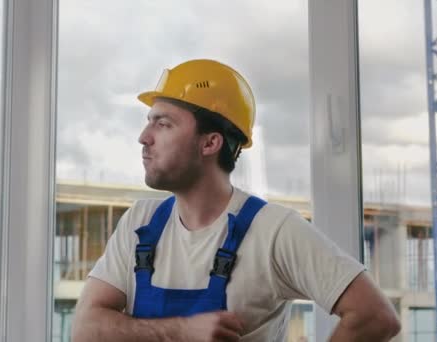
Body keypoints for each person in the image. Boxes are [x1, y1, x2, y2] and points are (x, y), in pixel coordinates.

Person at [71, 59, 400, 341]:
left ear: (210, 142)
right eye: (149, 122)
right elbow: (85, 328)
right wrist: (183, 331)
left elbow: (374, 316)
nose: (144, 138)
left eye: (164, 123)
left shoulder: (272, 230)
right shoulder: (140, 223)